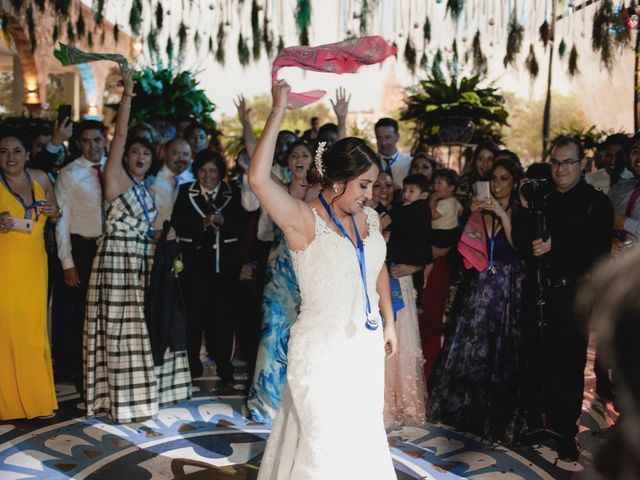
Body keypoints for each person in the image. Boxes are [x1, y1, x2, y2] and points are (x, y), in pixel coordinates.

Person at [250, 80, 398, 479]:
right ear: (338, 181)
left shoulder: (367, 219)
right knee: (323, 449)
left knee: (360, 442)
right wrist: (278, 110)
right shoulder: (303, 220)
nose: (371, 194)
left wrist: (389, 321)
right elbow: (259, 181)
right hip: (320, 356)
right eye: (364, 185)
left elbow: (377, 267)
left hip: (363, 350)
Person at [84, 67, 191, 424]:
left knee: (139, 334)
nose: (140, 157)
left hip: (142, 264)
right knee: (117, 334)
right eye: (134, 152)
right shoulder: (114, 180)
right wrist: (127, 96)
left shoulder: (148, 192)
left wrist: (165, 237)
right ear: (125, 157)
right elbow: (117, 138)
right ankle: (116, 401)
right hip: (115, 263)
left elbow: (148, 229)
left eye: (146, 153)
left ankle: (139, 399)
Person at [517, 136, 613, 460]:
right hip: (538, 291)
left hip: (573, 294)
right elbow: (521, 243)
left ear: (581, 165)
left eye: (567, 162)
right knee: (536, 359)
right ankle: (535, 422)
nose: (560, 169)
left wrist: (557, 246)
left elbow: (598, 253)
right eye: (555, 162)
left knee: (569, 366)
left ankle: (565, 432)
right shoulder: (540, 198)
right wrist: (523, 208)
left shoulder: (595, 203)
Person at [428, 157, 527, 443]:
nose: (497, 184)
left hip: (509, 291)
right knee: (473, 350)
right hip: (481, 290)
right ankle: (464, 414)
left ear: (514, 182)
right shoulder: (479, 212)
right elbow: (464, 254)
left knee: (502, 351)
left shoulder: (521, 213)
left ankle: (496, 419)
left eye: (504, 178)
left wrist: (502, 214)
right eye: (494, 178)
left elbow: (520, 245)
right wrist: (470, 218)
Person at [247, 140, 316, 423]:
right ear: (287, 162)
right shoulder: (280, 190)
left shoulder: (320, 192)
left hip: (310, 272)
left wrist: (340, 119)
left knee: (305, 338)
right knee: (272, 332)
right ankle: (266, 404)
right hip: (279, 272)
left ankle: (301, 403)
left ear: (313, 160)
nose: (299, 159)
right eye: (294, 155)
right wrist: (247, 123)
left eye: (305, 155)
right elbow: (256, 161)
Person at [0, 131, 61, 420]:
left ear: (27, 154)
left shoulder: (41, 178)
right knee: (7, 332)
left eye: (16, 151)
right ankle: (7, 404)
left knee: (35, 331)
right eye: (3, 152)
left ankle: (36, 401)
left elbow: (57, 213)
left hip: (36, 264)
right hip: (5, 267)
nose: (10, 157)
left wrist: (55, 211)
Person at [171, 149, 245, 385]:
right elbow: (178, 224)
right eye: (203, 170)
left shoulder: (233, 192)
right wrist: (199, 224)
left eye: (212, 170)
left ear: (221, 173)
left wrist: (225, 222)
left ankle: (224, 364)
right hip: (195, 267)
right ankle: (193, 363)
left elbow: (243, 225)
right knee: (194, 318)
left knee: (222, 318)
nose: (207, 175)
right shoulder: (186, 191)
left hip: (224, 268)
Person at [52, 119, 107, 393]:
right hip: (83, 249)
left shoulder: (116, 168)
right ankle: (83, 377)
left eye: (97, 140)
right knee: (83, 317)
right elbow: (61, 220)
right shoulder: (70, 173)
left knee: (109, 315)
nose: (93, 145)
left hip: (112, 249)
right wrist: (68, 262)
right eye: (86, 140)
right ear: (78, 143)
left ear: (105, 140)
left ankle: (106, 375)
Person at [384, 173, 431, 427]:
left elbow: (425, 249)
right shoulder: (395, 213)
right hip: (381, 280)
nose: (406, 194)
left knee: (404, 337)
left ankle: (403, 400)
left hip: (401, 280)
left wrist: (414, 267)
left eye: (388, 185)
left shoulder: (414, 214)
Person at [430, 168, 462, 250]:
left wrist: (432, 200)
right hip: (452, 232)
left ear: (451, 188)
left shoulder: (445, 203)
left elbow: (433, 215)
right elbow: (461, 211)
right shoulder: (454, 200)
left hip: (441, 234)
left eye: (439, 183)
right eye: (434, 183)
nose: (435, 186)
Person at [374, 117, 411, 190]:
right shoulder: (370, 162)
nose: (383, 142)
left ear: (397, 137)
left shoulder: (409, 163)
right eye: (379, 138)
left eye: (388, 137)